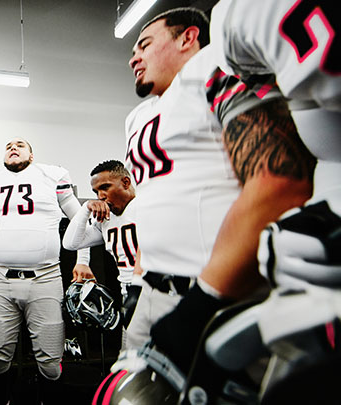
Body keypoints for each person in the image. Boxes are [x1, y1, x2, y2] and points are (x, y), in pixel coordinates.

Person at [149, 0, 338, 375]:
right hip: (158, 287)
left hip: (220, 287)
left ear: (187, 38)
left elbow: (280, 177)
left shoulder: (219, 51)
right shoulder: (152, 110)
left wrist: (201, 304)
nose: (133, 57)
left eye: (145, 43)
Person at [0, 137, 93, 404]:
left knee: (51, 361)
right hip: (0, 278)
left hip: (45, 278)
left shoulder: (51, 174)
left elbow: (80, 220)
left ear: (31, 154)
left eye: (20, 145)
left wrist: (83, 259)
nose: (13, 148)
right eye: (8, 146)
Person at [62, 160, 141, 346]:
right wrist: (85, 208)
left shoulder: (146, 206)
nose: (101, 196)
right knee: (129, 361)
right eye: (96, 192)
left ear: (126, 182)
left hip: (156, 292)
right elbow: (71, 243)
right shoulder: (106, 220)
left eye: (105, 187)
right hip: (127, 295)